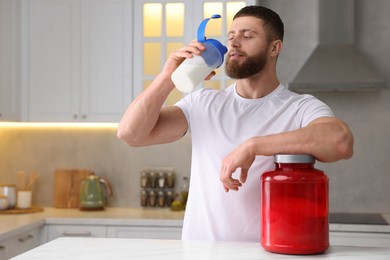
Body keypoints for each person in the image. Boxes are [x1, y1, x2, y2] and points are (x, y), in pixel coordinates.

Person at [117, 5, 354, 242]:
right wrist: (167, 78)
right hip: (200, 254)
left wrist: (253, 146)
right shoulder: (202, 103)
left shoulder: (300, 108)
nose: (234, 43)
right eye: (231, 36)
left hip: (268, 254)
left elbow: (340, 141)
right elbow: (131, 134)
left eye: (247, 36)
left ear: (274, 47)